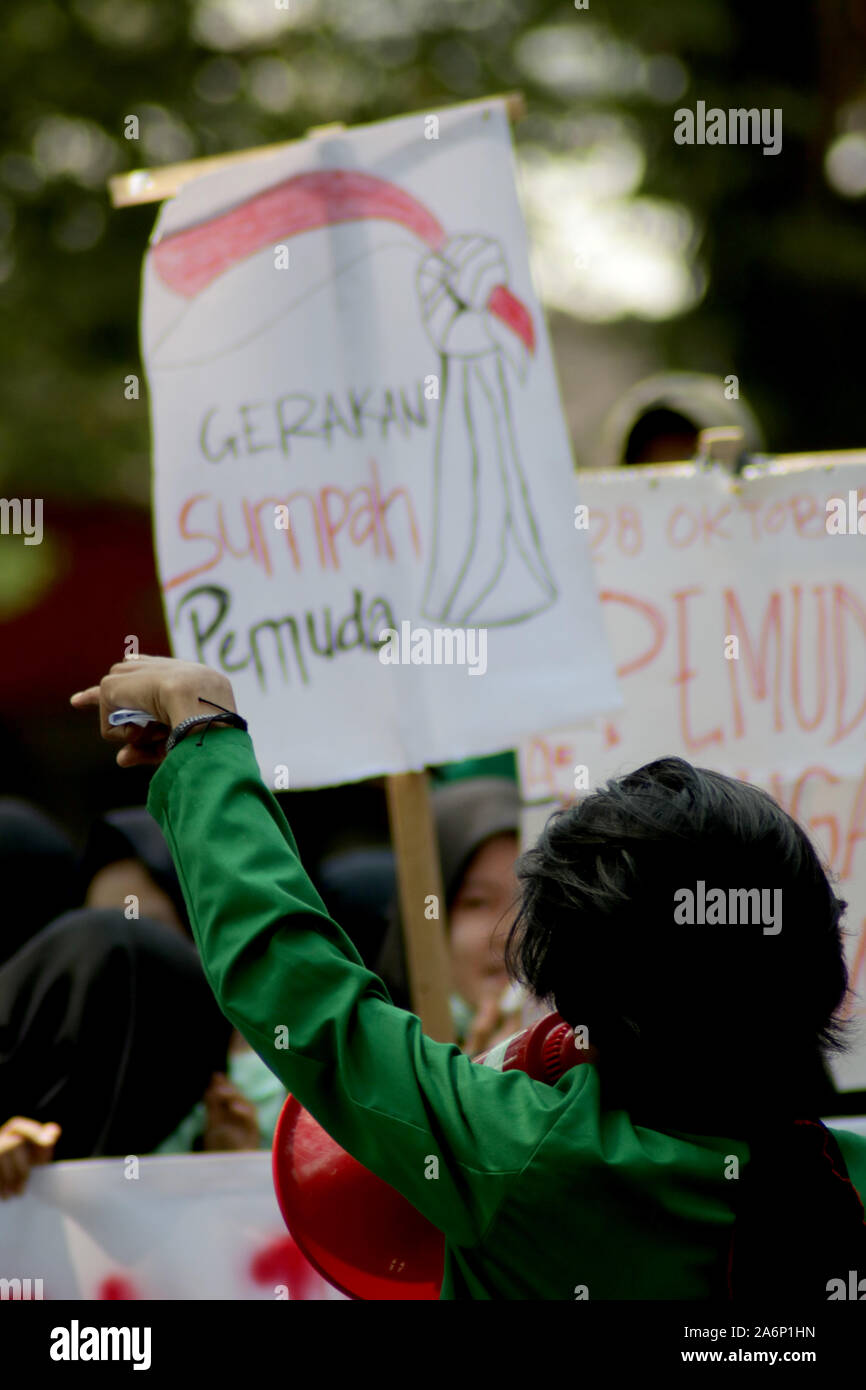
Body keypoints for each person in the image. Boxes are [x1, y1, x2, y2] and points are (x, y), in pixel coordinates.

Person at [70, 655, 866, 1300]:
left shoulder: (524, 1154)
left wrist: (205, 730)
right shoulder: (844, 1183)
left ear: (575, 977)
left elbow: (295, 983)